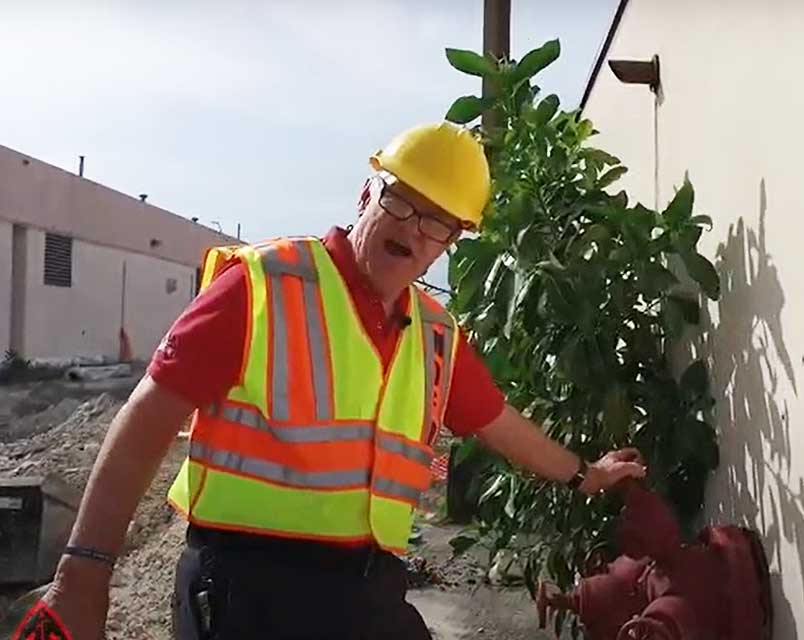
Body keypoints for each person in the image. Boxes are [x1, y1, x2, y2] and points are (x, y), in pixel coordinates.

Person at [39, 122, 646, 639]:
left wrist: (586, 476)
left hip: (368, 591)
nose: (412, 229)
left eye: (436, 223)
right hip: (247, 590)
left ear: (450, 242)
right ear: (366, 195)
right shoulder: (263, 287)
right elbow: (147, 417)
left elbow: (499, 423)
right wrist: (83, 575)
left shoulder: (435, 336)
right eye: (401, 202)